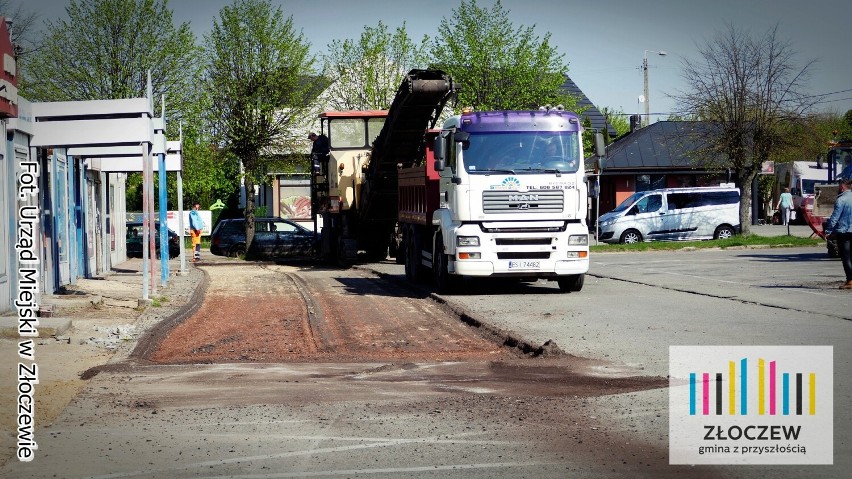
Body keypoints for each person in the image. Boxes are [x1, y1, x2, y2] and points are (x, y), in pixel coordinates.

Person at [824, 178, 852, 289]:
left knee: (846, 256)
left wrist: (828, 230)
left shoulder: (841, 200)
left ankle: (850, 280)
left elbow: (835, 217)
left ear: (842, 187)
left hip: (844, 231)